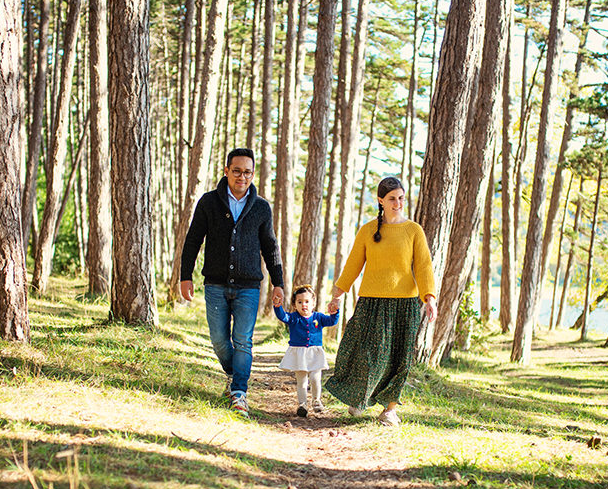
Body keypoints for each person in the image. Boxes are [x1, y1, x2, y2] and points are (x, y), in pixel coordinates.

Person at [179, 148, 285, 417]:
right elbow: (193, 240)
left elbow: (270, 246)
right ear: (226, 171)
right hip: (214, 283)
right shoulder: (208, 202)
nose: (242, 177)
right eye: (236, 171)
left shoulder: (261, 207)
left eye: (247, 172)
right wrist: (185, 276)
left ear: (252, 174)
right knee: (218, 340)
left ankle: (239, 392)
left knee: (243, 340)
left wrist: (278, 282)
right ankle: (233, 372)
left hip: (249, 286)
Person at [324, 176, 437, 426]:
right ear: (380, 201)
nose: (398, 203)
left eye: (401, 198)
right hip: (372, 302)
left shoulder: (413, 230)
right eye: (392, 199)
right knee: (365, 353)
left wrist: (429, 297)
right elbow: (353, 264)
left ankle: (389, 410)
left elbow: (424, 266)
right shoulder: (367, 230)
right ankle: (358, 396)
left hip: (404, 304)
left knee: (401, 358)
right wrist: (337, 294)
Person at [273, 284, 340, 417]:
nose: (304, 305)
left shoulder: (319, 317)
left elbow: (332, 321)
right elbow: (283, 317)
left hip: (315, 353)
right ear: (294, 304)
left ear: (313, 303)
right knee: (302, 381)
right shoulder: (293, 318)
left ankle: (316, 401)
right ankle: (302, 404)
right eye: (300, 302)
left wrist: (335, 312)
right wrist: (277, 306)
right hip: (299, 354)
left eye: (307, 301)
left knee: (315, 378)